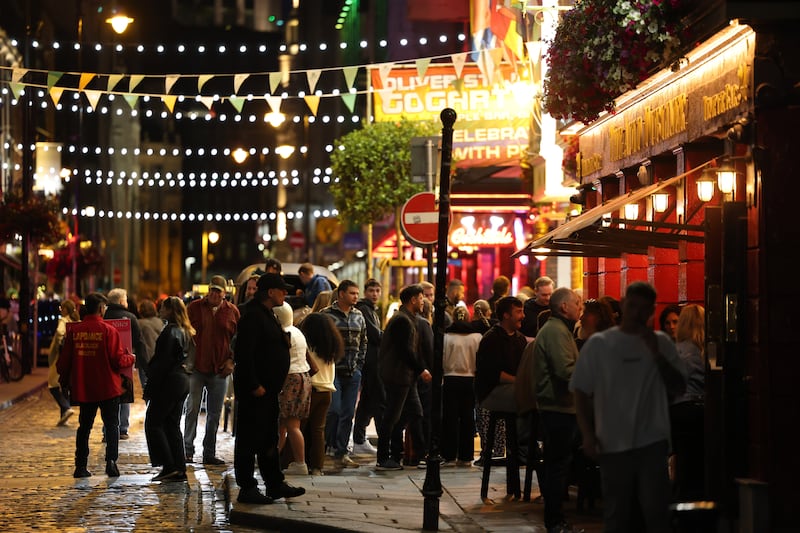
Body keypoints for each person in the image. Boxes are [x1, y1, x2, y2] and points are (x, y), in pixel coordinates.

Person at [571, 281, 687, 533]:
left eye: (644, 309)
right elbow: (580, 391)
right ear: (623, 306)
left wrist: (657, 355)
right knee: (617, 512)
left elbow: (679, 387)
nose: (637, 313)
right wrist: (588, 434)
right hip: (613, 442)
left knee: (656, 511)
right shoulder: (600, 344)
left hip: (652, 440)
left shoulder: (662, 343)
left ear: (651, 311)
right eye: (633, 306)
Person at [234, 273, 305, 504]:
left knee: (268, 440)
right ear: (270, 292)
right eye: (282, 290)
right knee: (248, 441)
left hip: (269, 391)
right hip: (256, 393)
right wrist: (254, 384)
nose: (285, 293)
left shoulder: (267, 314)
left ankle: (274, 483)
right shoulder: (252, 315)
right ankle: (247, 488)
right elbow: (244, 354)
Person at [57, 292, 135, 478]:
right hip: (108, 387)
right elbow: (118, 360)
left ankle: (80, 465)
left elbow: (64, 362)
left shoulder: (75, 331)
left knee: (84, 427)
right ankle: (111, 463)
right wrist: (131, 358)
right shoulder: (109, 331)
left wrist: (64, 382)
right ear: (101, 308)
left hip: (85, 387)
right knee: (112, 425)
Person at [531, 287, 582, 533]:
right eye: (577, 303)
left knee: (559, 465)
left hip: (560, 406)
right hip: (558, 407)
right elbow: (565, 371)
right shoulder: (556, 332)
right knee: (557, 466)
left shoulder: (559, 330)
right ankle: (555, 521)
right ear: (564, 307)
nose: (580, 308)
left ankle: (556, 519)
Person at [375, 284, 432, 471]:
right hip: (398, 376)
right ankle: (383, 458)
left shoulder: (409, 318)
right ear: (413, 300)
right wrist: (421, 369)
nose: (423, 301)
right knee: (391, 417)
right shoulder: (402, 320)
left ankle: (419, 455)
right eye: (421, 298)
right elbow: (405, 350)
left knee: (415, 413)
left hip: (406, 377)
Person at [185, 275, 240, 465]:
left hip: (220, 369)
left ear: (224, 293)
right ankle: (187, 450)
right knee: (192, 409)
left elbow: (237, 340)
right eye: (212, 290)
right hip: (197, 367)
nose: (214, 294)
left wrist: (231, 361)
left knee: (214, 414)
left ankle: (209, 452)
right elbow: (185, 334)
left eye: (218, 291)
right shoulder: (194, 308)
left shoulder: (232, 311)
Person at [144, 296, 195, 482]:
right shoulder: (186, 331)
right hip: (183, 380)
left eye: (163, 308)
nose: (160, 311)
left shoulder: (170, 332)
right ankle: (179, 467)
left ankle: (169, 465)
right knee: (172, 424)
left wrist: (150, 387)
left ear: (170, 310)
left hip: (170, 381)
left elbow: (162, 363)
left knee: (153, 422)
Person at [321, 280, 367, 469]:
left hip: (353, 371)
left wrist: (359, 365)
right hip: (332, 371)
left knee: (348, 413)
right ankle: (327, 445)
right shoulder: (326, 315)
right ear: (341, 294)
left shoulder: (359, 315)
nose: (356, 296)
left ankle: (341, 451)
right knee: (334, 410)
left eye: (357, 293)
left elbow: (363, 341)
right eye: (352, 293)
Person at [300, 312, 344, 475]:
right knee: (318, 430)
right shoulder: (331, 347)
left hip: (311, 390)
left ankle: (298, 461)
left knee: (300, 428)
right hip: (326, 392)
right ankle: (317, 467)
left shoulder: (308, 347)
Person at [670, 304, 706, 500]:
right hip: (700, 409)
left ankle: (682, 498)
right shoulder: (706, 351)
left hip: (679, 409)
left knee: (683, 457)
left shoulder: (676, 351)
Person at [273, 302, 312, 476]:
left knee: (291, 424)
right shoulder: (297, 331)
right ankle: (273, 458)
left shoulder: (284, 333)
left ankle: (300, 463)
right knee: (284, 424)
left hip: (290, 378)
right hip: (302, 377)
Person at [105, 288, 148, 440]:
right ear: (121, 301)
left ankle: (107, 429)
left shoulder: (104, 316)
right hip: (125, 361)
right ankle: (122, 429)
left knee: (108, 395)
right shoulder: (130, 317)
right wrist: (143, 363)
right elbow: (139, 341)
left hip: (106, 362)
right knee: (124, 392)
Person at [442, 306, 482, 466]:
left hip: (450, 378)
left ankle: (449, 455)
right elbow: (480, 359)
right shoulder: (476, 337)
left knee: (450, 418)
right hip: (470, 379)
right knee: (467, 418)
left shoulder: (446, 337)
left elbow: (442, 358)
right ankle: (466, 456)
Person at [352, 279, 384, 455]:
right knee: (378, 400)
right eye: (371, 290)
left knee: (368, 400)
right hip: (371, 362)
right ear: (366, 292)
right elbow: (374, 335)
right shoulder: (365, 309)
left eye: (377, 291)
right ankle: (381, 441)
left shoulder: (371, 309)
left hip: (372, 361)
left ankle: (359, 438)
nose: (375, 294)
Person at [48, 300, 80, 426]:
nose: (60, 310)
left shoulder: (63, 321)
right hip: (72, 357)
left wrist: (60, 343)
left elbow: (60, 332)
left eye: (62, 308)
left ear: (66, 309)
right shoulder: (76, 321)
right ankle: (64, 416)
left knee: (52, 385)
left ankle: (66, 407)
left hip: (60, 357)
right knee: (65, 385)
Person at [138, 299, 165, 389]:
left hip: (146, 358)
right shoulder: (160, 322)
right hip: (160, 358)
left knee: (147, 387)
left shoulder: (139, 323)